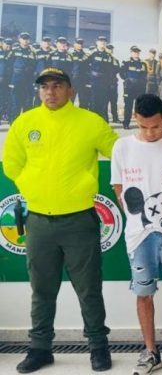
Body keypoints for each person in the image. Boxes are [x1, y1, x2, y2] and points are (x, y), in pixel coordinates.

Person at [3, 67, 117, 373]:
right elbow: (12, 164)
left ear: (71, 91)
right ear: (39, 92)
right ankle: (40, 349)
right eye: (45, 88)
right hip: (39, 222)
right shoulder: (25, 122)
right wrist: (33, 187)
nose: (50, 92)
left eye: (57, 86)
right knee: (42, 289)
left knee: (89, 288)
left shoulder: (91, 122)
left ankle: (98, 347)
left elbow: (121, 154)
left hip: (79, 221)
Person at [110, 94, 162, 375]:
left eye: (156, 127)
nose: (150, 132)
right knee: (143, 293)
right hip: (139, 235)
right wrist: (137, 220)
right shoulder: (122, 147)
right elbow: (119, 188)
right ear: (135, 117)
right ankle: (150, 352)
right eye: (145, 127)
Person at [7, 32, 36, 122]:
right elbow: (9, 67)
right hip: (17, 82)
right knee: (16, 105)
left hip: (28, 82)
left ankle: (25, 125)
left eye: (27, 39)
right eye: (23, 38)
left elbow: (34, 68)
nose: (25, 41)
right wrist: (10, 82)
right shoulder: (14, 51)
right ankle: (13, 125)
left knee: (28, 105)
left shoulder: (33, 53)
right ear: (19, 40)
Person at [121, 46, 148, 130]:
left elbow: (145, 74)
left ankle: (140, 124)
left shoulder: (143, 64)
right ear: (131, 53)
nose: (136, 54)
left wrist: (143, 83)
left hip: (139, 88)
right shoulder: (126, 63)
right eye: (135, 52)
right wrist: (128, 80)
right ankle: (126, 123)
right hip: (129, 87)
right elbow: (121, 73)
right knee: (128, 106)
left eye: (138, 52)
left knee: (139, 107)